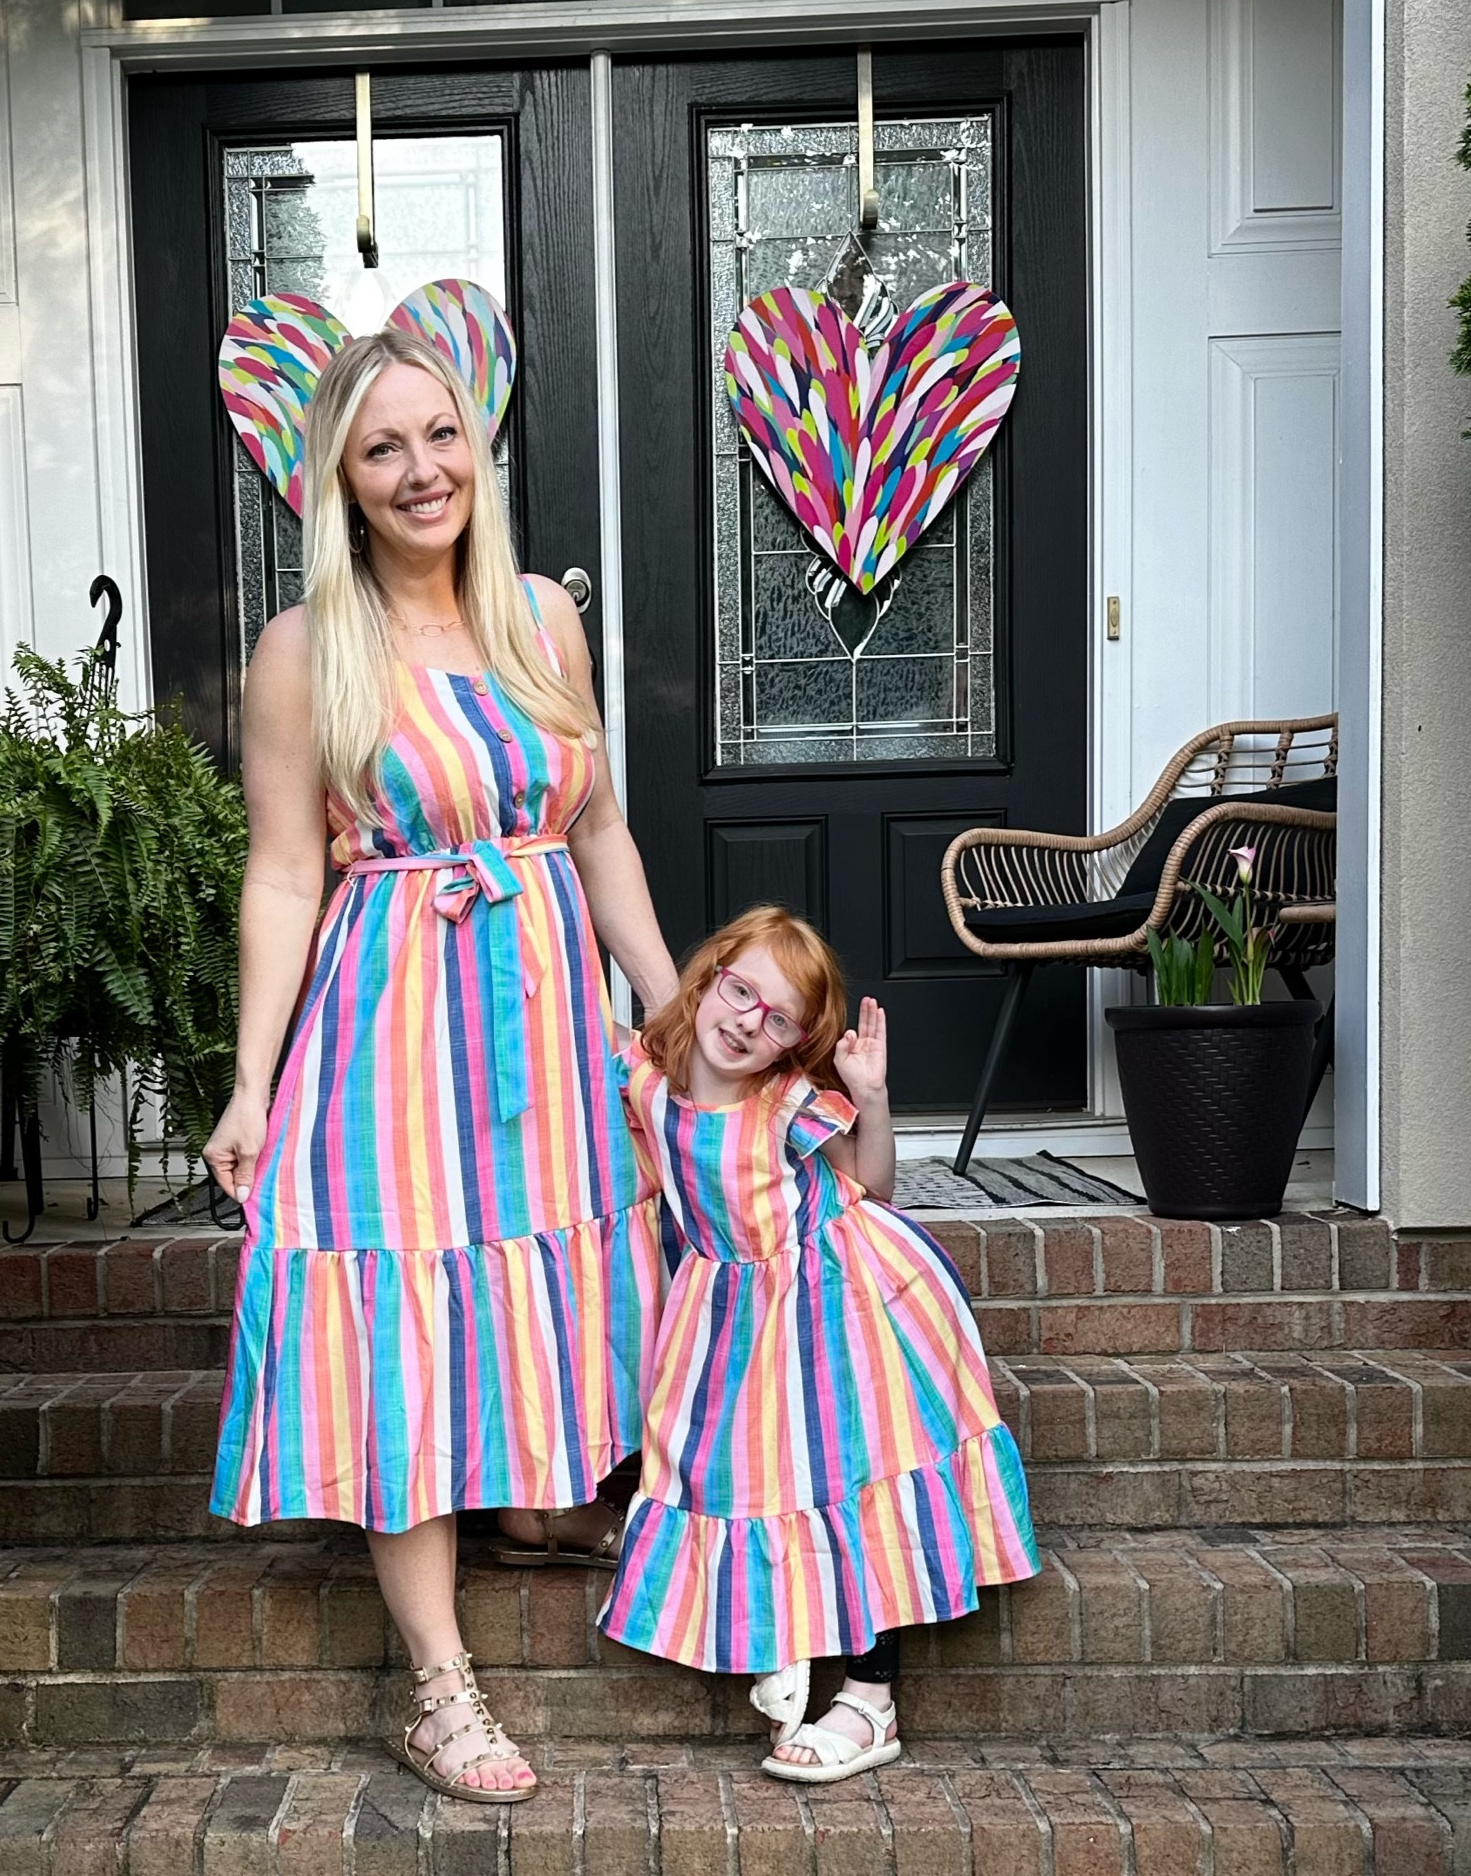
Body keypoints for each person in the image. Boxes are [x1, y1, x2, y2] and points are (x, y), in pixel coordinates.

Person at [203, 326, 679, 1803]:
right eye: (383, 448)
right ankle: (439, 1687)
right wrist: (248, 1083)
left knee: (554, 1274)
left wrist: (669, 1015)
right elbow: (284, 875)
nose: (423, 471)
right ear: (340, 482)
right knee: (400, 1323)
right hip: (386, 1027)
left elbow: (598, 828)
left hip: (542, 1016)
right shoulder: (304, 650)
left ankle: (535, 1508)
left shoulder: (543, 617)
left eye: (441, 435)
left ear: (478, 445)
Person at [597, 906, 1040, 1783]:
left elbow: (870, 1185)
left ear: (794, 1043)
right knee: (739, 1473)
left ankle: (872, 1697)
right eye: (739, 990)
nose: (746, 1021)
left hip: (836, 1297)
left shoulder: (787, 1103)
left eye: (778, 1020)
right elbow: (560, 1007)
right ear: (709, 971)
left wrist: (870, 1095)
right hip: (724, 1310)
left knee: (844, 1473)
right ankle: (788, 1633)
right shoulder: (650, 1073)